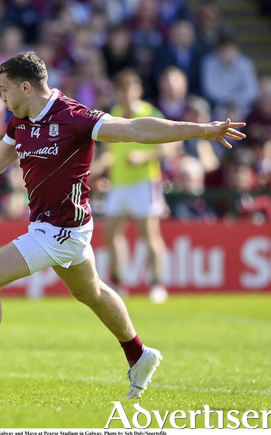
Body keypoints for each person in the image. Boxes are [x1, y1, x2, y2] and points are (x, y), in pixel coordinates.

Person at [0, 52, 244, 398]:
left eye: (4, 90)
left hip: (62, 231)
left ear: (26, 87)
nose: (2, 99)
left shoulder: (75, 117)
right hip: (54, 226)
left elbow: (135, 128)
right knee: (91, 292)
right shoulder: (19, 121)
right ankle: (139, 354)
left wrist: (201, 131)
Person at [101, 69, 171, 303]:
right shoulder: (115, 114)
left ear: (138, 91)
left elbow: (169, 147)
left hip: (144, 183)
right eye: (121, 91)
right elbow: (109, 153)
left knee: (149, 235)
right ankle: (119, 282)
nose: (125, 96)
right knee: (111, 233)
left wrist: (143, 157)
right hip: (118, 185)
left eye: (129, 91)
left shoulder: (150, 113)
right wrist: (95, 170)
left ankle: (157, 283)